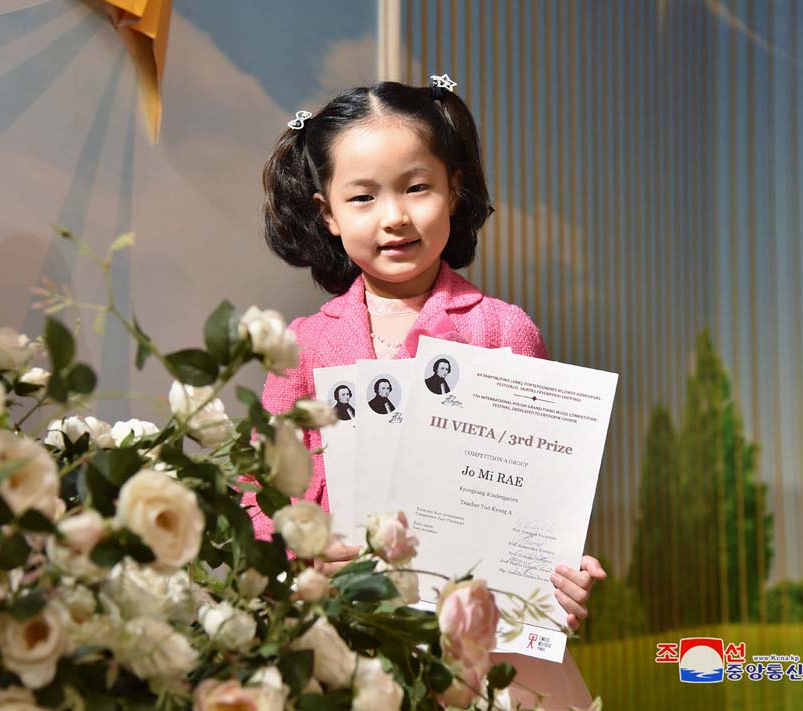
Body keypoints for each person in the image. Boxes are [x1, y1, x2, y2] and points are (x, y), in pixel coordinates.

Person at [243, 78, 605, 657]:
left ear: (454, 190)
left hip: (469, 643)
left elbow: (536, 499)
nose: (395, 217)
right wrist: (301, 558)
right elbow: (259, 491)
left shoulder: (503, 331)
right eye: (363, 198)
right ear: (327, 213)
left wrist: (558, 572)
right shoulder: (304, 345)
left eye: (417, 188)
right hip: (337, 637)